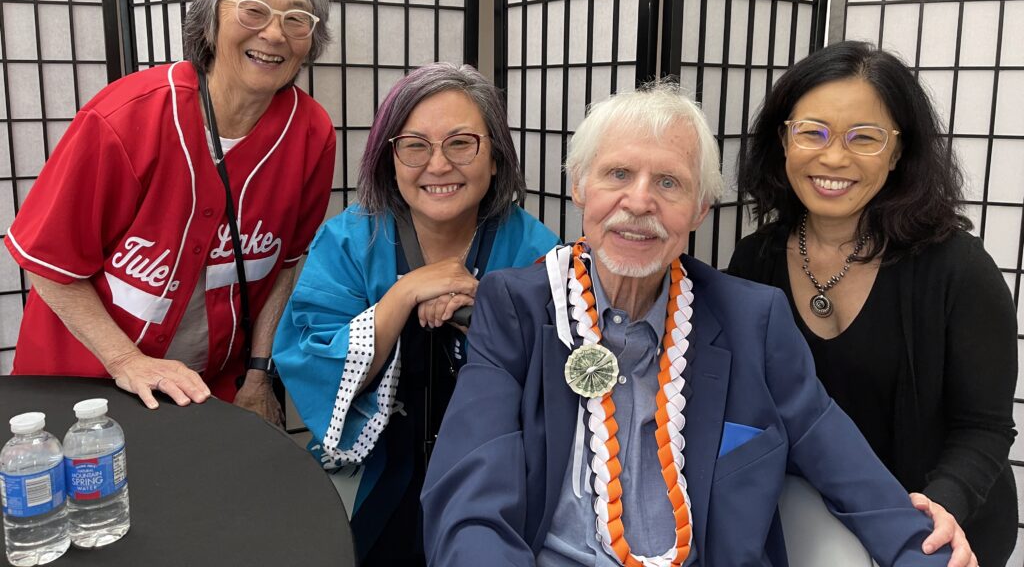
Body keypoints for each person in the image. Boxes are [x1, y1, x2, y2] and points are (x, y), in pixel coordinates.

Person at [422, 83, 969, 567]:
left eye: (669, 182)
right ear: (579, 188)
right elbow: (470, 501)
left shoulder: (753, 321)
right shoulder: (517, 309)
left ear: (700, 209)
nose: (639, 202)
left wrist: (924, 547)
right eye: (617, 174)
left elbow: (842, 461)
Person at [5, 0, 336, 426]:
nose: (274, 34)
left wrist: (258, 377)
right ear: (209, 18)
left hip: (205, 392)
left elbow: (287, 265)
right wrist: (126, 362)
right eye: (253, 9)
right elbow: (49, 267)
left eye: (297, 19)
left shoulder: (312, 134)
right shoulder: (125, 117)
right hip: (80, 387)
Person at [727, 41, 1017, 566]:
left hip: (935, 522)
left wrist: (943, 504)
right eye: (811, 132)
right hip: (815, 514)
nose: (833, 157)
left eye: (864, 137)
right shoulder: (755, 259)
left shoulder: (957, 269)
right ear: (783, 140)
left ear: (898, 152)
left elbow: (986, 427)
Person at [273, 62, 559, 565]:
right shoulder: (348, 241)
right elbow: (310, 358)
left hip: (500, 477)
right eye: (415, 145)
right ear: (390, 160)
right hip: (373, 473)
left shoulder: (535, 249)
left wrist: (483, 309)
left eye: (461, 143)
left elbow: (558, 377)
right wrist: (402, 297)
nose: (439, 164)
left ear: (495, 157)